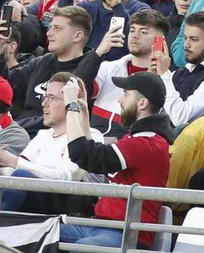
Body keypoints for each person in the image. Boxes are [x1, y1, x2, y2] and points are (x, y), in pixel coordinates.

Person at [56, 73, 172, 249]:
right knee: (44, 233)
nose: (119, 100)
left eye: (125, 93)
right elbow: (92, 158)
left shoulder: (148, 144)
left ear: (142, 103)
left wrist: (70, 104)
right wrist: (83, 109)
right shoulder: (137, 138)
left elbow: (81, 153)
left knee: (83, 248)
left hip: (127, 234)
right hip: (102, 226)